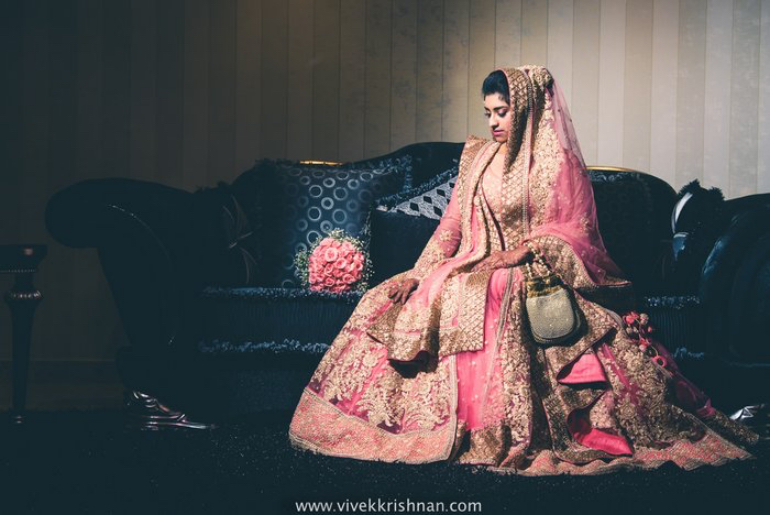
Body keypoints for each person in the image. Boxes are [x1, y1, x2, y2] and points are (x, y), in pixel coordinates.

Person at [288, 65, 760, 475]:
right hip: (469, 261)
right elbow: (451, 225)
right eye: (489, 112)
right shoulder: (475, 157)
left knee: (496, 288)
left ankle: (496, 426)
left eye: (503, 111)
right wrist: (418, 272)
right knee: (400, 296)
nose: (494, 122)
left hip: (534, 268)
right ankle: (419, 424)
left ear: (527, 107)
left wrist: (525, 250)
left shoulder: (553, 162)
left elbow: (574, 227)